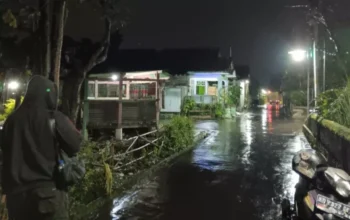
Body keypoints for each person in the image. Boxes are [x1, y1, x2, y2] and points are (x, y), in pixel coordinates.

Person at [1, 75, 82, 220]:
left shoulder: (11, 121)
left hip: (17, 198)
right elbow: (75, 146)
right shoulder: (54, 118)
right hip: (48, 193)